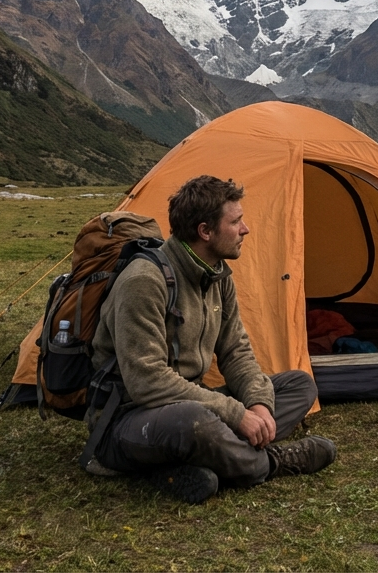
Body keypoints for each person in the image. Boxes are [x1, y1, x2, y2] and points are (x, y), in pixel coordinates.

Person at [86, 175, 336, 503]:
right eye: (236, 222)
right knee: (192, 422)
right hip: (129, 418)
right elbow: (146, 382)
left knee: (299, 385)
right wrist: (235, 414)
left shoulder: (216, 275)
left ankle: (198, 462)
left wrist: (258, 405)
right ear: (205, 231)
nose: (245, 229)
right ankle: (271, 462)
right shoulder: (144, 281)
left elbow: (235, 350)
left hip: (192, 401)